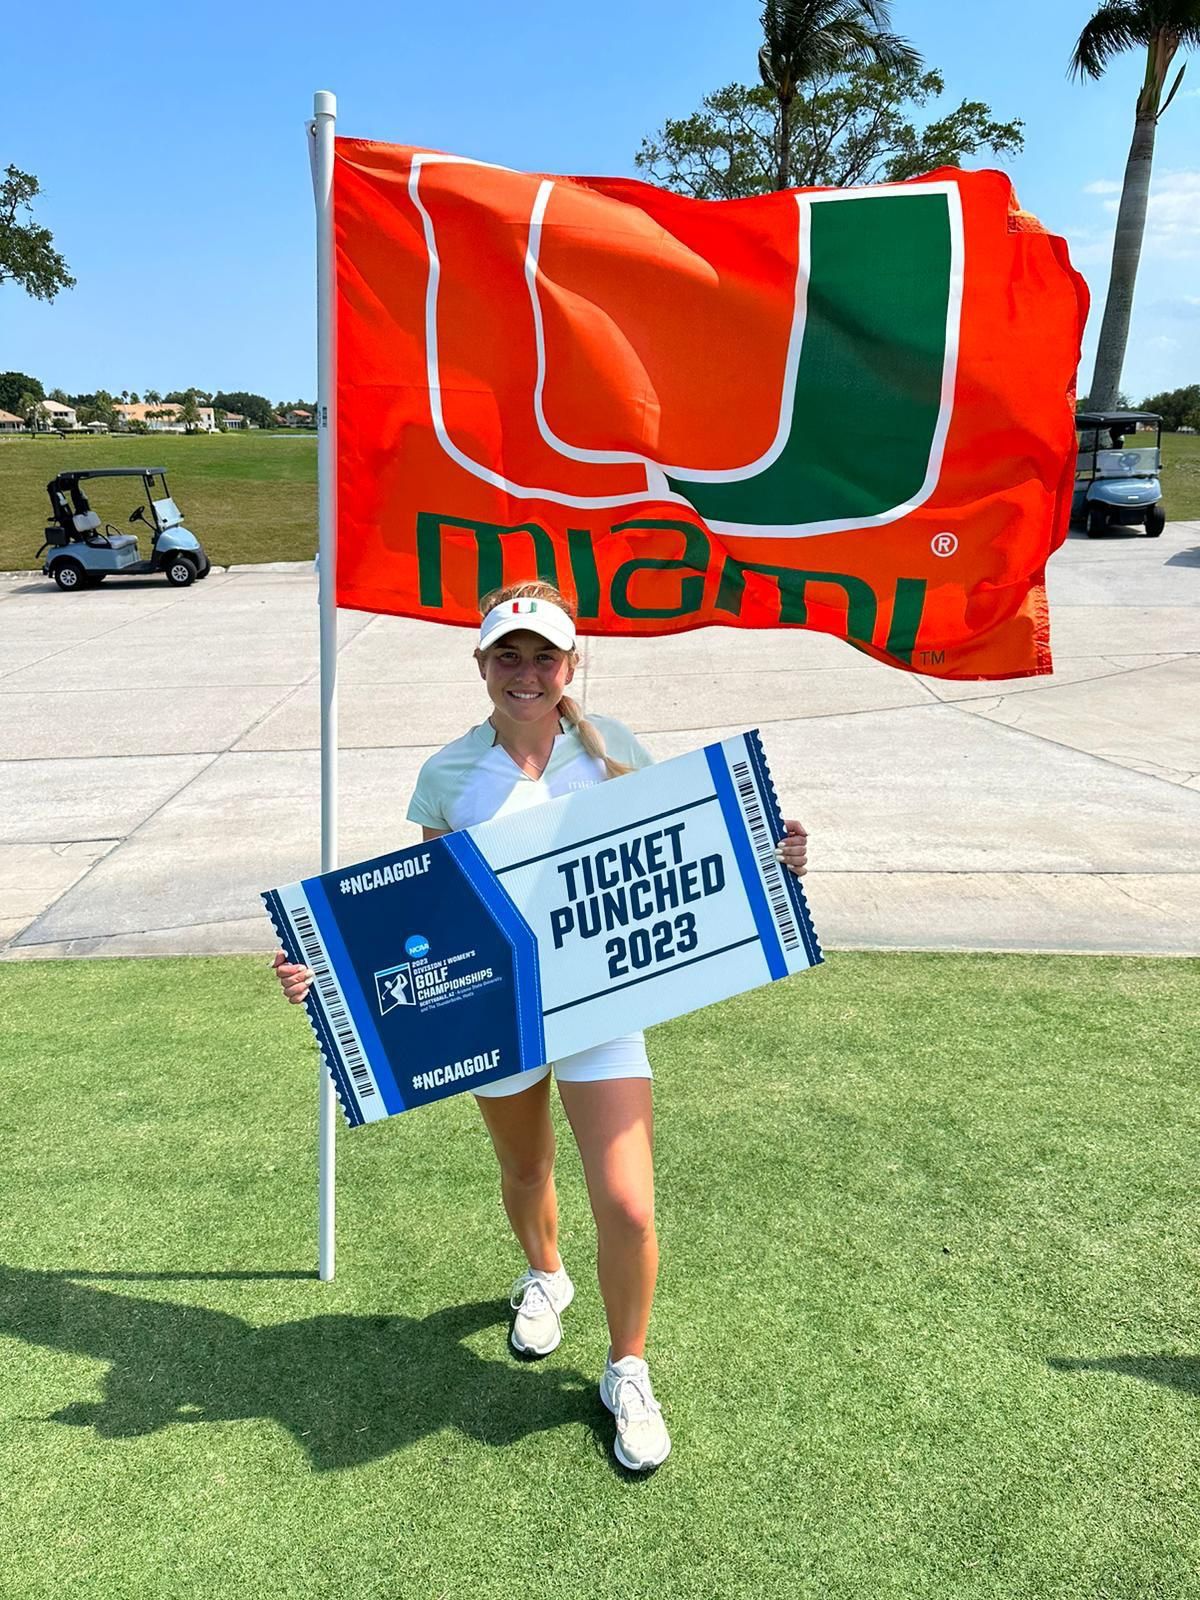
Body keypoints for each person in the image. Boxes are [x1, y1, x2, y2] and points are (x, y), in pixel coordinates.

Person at [273, 580, 809, 1471]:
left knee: (631, 1205)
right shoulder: (447, 774)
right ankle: (546, 1275)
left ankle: (627, 1367)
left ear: (572, 664)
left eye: (544, 656)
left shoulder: (615, 750)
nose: (526, 672)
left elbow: (695, 851)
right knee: (526, 1168)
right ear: (481, 664)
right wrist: (323, 971)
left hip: (604, 1008)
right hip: (498, 1012)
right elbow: (420, 915)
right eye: (507, 655)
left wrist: (775, 853)